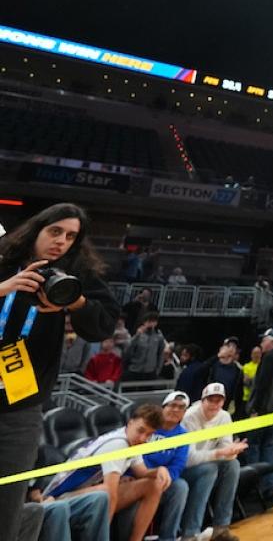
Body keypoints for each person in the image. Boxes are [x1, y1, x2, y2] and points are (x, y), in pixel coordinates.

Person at [0, 203, 119, 533]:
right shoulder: (4, 260)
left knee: (7, 507)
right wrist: (5, 287)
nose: (61, 242)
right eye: (55, 232)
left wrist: (76, 303)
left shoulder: (72, 276)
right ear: (36, 229)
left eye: (70, 236)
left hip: (20, 408)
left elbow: (104, 323)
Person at [44, 404, 169, 541]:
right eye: (141, 431)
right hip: (60, 499)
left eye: (149, 435)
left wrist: (160, 470)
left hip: (85, 493)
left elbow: (142, 472)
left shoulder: (132, 440)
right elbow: (111, 493)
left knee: (153, 485)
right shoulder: (118, 444)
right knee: (105, 492)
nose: (142, 438)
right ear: (130, 423)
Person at [181, 383, 246, 541]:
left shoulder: (224, 417)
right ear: (203, 400)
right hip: (185, 469)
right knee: (209, 469)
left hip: (209, 464)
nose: (214, 404)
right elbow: (189, 458)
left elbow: (225, 450)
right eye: (211, 400)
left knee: (233, 465)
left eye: (219, 400)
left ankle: (221, 528)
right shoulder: (189, 417)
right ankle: (190, 533)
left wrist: (232, 452)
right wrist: (219, 453)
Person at [140, 391, 191, 541]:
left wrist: (165, 478)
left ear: (184, 413)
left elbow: (178, 465)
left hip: (163, 479)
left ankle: (168, 537)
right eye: (172, 405)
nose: (175, 410)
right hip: (139, 474)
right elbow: (135, 454)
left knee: (181, 487)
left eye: (181, 408)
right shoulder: (149, 426)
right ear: (163, 407)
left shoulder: (183, 436)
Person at [246, 330, 273, 499]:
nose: (261, 344)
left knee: (254, 445)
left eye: (264, 341)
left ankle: (252, 485)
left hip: (263, 411)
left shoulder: (269, 358)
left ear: (271, 342)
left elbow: (262, 385)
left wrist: (255, 409)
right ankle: (269, 486)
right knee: (269, 446)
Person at [122, 312, 166, 381]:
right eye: (149, 321)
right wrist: (137, 335)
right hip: (134, 369)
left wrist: (158, 370)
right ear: (144, 322)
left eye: (153, 321)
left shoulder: (159, 337)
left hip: (150, 371)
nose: (151, 323)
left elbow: (160, 354)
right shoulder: (138, 335)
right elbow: (128, 350)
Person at [241, 345, 261, 410]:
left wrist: (252, 379)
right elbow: (246, 381)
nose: (256, 355)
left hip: (258, 397)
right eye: (254, 353)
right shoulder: (246, 366)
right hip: (247, 397)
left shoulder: (263, 366)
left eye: (258, 353)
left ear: (261, 354)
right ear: (251, 355)